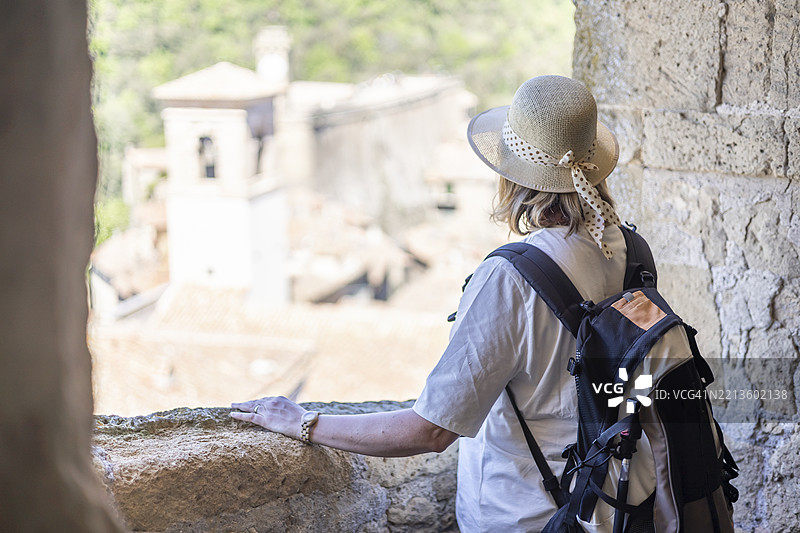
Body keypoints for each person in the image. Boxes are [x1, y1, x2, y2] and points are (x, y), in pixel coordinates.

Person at [231, 75, 629, 532]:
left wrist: (304, 422)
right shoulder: (627, 248)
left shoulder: (512, 277)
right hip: (608, 506)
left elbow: (432, 429)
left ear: (511, 175)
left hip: (528, 517)